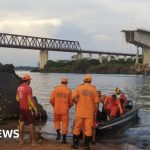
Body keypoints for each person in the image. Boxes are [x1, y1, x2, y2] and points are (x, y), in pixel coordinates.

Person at [72, 74, 99, 150]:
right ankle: (86, 146)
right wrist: (95, 112)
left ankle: (75, 144)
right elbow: (96, 102)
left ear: (84, 80)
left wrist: (75, 102)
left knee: (77, 128)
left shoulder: (79, 87)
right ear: (91, 80)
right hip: (89, 113)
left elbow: (73, 97)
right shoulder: (94, 89)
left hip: (79, 112)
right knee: (88, 129)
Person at [16, 74, 38, 145]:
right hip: (28, 109)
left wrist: (22, 100)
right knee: (31, 124)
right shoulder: (28, 88)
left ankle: (21, 140)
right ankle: (33, 142)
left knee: (21, 123)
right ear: (28, 80)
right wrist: (35, 109)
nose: (30, 81)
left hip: (21, 108)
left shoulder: (19, 87)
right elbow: (31, 100)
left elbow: (17, 98)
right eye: (29, 80)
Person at [50, 78, 73, 144]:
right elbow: (71, 102)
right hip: (65, 110)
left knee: (56, 121)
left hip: (56, 109)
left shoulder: (55, 89)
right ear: (66, 83)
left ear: (61, 82)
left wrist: (54, 106)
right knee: (65, 123)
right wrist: (68, 107)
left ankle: (58, 134)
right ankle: (64, 139)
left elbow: (51, 100)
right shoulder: (69, 90)